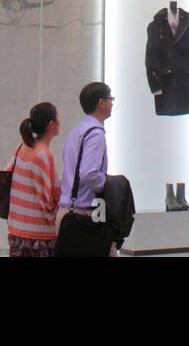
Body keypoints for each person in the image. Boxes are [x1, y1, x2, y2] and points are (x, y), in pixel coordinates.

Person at [54, 81, 115, 257]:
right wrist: (105, 184)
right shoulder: (96, 134)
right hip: (84, 217)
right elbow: (88, 173)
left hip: (67, 213)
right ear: (101, 103)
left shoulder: (76, 131)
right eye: (110, 99)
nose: (112, 104)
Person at [8, 103, 60, 257]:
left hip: (17, 228)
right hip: (38, 231)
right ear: (51, 124)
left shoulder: (21, 147)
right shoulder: (44, 155)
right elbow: (47, 198)